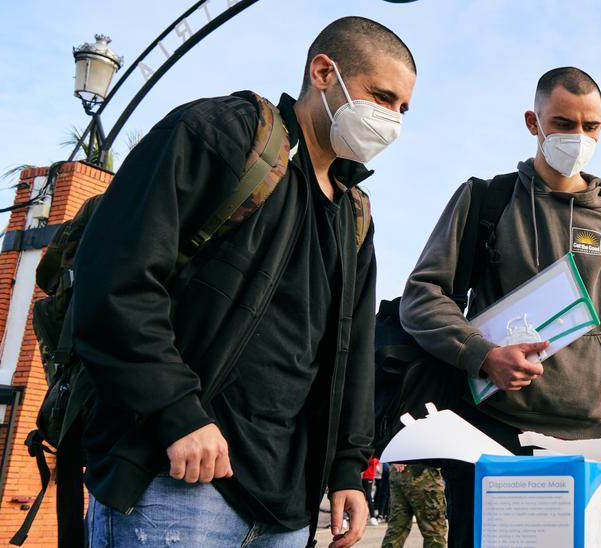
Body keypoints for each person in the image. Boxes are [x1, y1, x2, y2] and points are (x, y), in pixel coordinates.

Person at [70, 17, 415, 548]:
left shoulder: (355, 215)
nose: (390, 119)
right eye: (382, 96)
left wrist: (347, 467)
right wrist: (176, 412)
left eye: (402, 109)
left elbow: (352, 352)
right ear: (324, 72)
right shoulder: (222, 134)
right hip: (178, 481)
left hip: (290, 507)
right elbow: (117, 276)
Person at [400, 66, 601, 547]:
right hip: (491, 438)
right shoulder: (484, 200)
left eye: (591, 126)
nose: (578, 136)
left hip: (591, 442)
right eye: (563, 124)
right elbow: (421, 296)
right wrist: (480, 353)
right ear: (533, 121)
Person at [382, 463, 448, 548]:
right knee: (434, 533)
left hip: (398, 471)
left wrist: (393, 460)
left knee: (396, 530)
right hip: (424, 473)